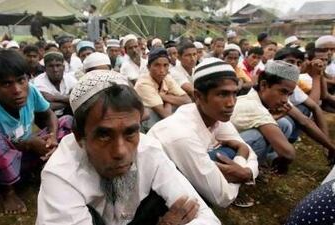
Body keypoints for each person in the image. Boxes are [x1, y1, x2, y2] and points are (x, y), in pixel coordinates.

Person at [36, 70, 221, 225]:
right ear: (79, 136)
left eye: (130, 132)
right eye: (104, 135)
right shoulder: (61, 175)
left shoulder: (149, 150)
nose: (120, 152)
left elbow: (206, 218)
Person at [0, 49, 72, 214]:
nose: (17, 90)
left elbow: (49, 114)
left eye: (21, 80)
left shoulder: (31, 91)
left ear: (27, 78)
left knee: (67, 122)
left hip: (27, 155)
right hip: (0, 170)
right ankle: (7, 193)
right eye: (6, 84)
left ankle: (45, 167)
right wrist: (27, 144)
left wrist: (51, 136)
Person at [148, 58, 258, 207]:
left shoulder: (216, 116)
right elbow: (223, 197)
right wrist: (242, 166)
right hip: (151, 202)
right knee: (229, 152)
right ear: (198, 96)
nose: (231, 103)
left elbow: (249, 152)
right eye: (222, 94)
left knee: (237, 149)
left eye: (234, 94)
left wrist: (247, 173)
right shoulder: (181, 134)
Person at [232, 61, 335, 174]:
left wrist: (330, 147)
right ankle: (249, 170)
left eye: (289, 94)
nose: (285, 99)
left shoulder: (266, 98)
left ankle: (261, 164)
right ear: (263, 85)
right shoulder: (253, 106)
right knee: (258, 136)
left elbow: (305, 122)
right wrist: (282, 164)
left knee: (283, 124)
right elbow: (288, 153)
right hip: (221, 154)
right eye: (283, 92)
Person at [134, 48, 191, 131]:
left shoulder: (166, 78)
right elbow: (166, 115)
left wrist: (162, 96)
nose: (162, 70)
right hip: (144, 126)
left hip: (162, 119)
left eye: (165, 65)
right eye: (157, 65)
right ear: (149, 67)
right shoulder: (143, 83)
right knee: (150, 112)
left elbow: (187, 100)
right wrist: (170, 100)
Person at [34, 51, 77, 117]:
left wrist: (53, 98)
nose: (55, 70)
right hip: (46, 117)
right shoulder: (38, 81)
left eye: (58, 65)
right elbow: (46, 106)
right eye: (51, 66)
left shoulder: (70, 78)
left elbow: (78, 97)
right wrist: (70, 101)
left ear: (63, 67)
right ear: (45, 68)